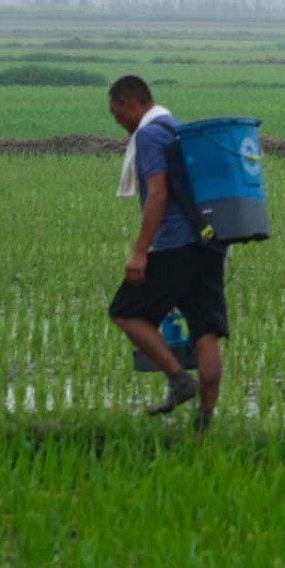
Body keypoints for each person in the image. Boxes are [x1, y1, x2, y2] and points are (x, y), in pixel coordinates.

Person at [106, 75, 227, 428]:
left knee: (125, 312)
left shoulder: (148, 135)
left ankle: (178, 379)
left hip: (176, 244)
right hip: (209, 243)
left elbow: (157, 192)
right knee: (205, 331)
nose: (119, 123)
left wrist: (140, 251)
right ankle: (205, 422)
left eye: (117, 114)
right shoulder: (177, 128)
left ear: (131, 104)